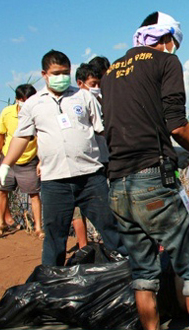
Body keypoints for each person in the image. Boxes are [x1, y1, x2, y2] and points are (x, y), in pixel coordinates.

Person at [101, 11, 189, 330]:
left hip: (116, 186)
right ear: (165, 39)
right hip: (152, 182)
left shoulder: (111, 72)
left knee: (143, 273)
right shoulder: (166, 62)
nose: (174, 50)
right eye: (174, 44)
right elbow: (177, 126)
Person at [0, 50, 126, 266]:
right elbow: (21, 137)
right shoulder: (33, 104)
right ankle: (49, 283)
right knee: (55, 237)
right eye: (56, 73)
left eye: (66, 72)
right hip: (54, 182)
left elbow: (104, 130)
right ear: (44, 74)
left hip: (91, 177)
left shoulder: (83, 96)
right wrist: (6, 165)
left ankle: (130, 275)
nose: (61, 77)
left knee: (110, 227)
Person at [0, 84, 43, 239]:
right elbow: (0, 133)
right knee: (2, 191)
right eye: (25, 100)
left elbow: (42, 137)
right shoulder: (7, 113)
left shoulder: (39, 113)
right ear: (18, 100)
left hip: (29, 161)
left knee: (34, 194)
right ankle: (1, 224)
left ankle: (38, 228)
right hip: (8, 159)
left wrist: (41, 160)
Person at [70, 63, 108, 249]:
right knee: (78, 207)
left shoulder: (105, 98)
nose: (96, 88)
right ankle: (83, 245)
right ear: (80, 83)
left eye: (98, 84)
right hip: (86, 162)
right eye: (92, 84)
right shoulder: (72, 102)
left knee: (107, 206)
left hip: (106, 159)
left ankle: (113, 245)